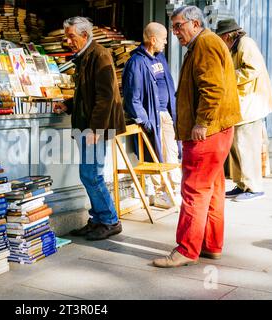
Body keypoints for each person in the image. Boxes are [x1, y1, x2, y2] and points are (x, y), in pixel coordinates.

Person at [153, 6, 242, 268]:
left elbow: (212, 88)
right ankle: (211, 245)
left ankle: (186, 249)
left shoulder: (204, 43)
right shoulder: (206, 42)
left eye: (179, 25)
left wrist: (201, 122)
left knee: (193, 189)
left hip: (207, 131)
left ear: (194, 23)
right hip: (217, 128)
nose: (175, 31)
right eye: (173, 26)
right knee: (212, 189)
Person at [53, 17, 126, 241]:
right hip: (88, 127)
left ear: (85, 36)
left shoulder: (99, 55)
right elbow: (87, 93)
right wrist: (69, 105)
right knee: (89, 175)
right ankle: (97, 219)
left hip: (94, 129)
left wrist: (95, 130)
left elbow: (105, 97)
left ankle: (110, 220)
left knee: (91, 175)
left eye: (71, 36)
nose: (67, 41)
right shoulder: (86, 56)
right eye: (67, 36)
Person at [215, 19, 272, 202]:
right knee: (237, 146)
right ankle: (242, 184)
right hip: (242, 104)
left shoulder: (246, 44)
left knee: (246, 147)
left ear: (227, 35)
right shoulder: (235, 46)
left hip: (251, 104)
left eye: (220, 38)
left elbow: (252, 70)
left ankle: (254, 187)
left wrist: (226, 77)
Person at [122, 22, 182, 209]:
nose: (166, 43)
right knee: (159, 155)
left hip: (166, 115)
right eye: (164, 39)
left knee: (171, 153)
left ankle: (172, 191)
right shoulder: (136, 62)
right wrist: (146, 121)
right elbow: (132, 97)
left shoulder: (160, 57)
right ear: (153, 39)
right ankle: (163, 194)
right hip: (155, 118)